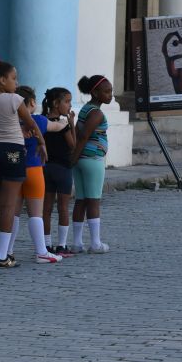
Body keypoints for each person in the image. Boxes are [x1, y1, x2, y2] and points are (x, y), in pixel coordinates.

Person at [0, 55, 47, 269]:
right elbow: (31, 124)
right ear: (3, 80)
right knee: (8, 204)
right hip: (13, 151)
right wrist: (41, 143)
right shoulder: (14, 100)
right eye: (14, 78)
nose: (17, 83)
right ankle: (2, 255)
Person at [10, 86, 62, 264]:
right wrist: (67, 121)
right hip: (34, 170)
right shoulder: (39, 121)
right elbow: (57, 126)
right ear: (32, 102)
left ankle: (8, 250)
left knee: (13, 213)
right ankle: (41, 251)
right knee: (35, 213)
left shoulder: (11, 123)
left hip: (15, 169)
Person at [71, 75, 113, 255]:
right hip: (92, 160)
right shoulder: (96, 113)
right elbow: (83, 136)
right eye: (107, 91)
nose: (110, 95)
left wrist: (75, 158)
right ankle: (95, 243)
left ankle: (77, 242)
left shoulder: (85, 109)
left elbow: (78, 131)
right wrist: (74, 156)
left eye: (111, 91)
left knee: (80, 200)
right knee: (94, 200)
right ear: (95, 92)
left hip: (80, 161)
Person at [42, 87, 76, 256]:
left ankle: (46, 245)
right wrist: (72, 125)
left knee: (46, 208)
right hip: (63, 168)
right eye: (67, 101)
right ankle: (61, 245)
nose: (69, 105)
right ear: (56, 103)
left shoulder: (42, 121)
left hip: (46, 168)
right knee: (63, 207)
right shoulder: (62, 125)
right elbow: (73, 145)